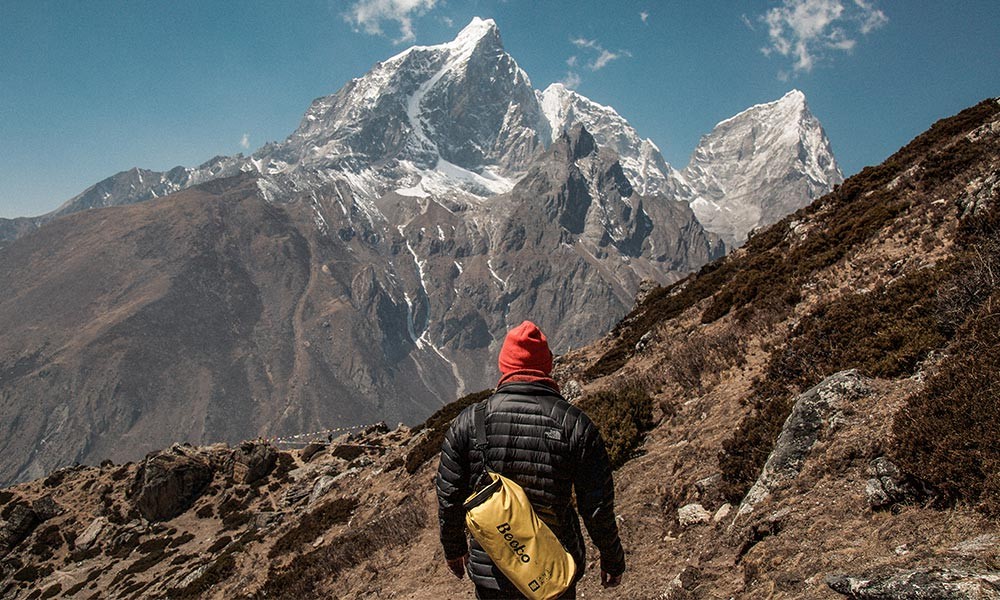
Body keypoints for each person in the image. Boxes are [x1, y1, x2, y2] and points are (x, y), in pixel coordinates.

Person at [436, 320, 626, 599]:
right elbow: (596, 506)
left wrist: (454, 549)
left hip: (493, 567)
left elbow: (449, 494)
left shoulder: (470, 422)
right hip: (552, 567)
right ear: (546, 365)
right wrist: (611, 557)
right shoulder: (574, 425)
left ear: (504, 365)